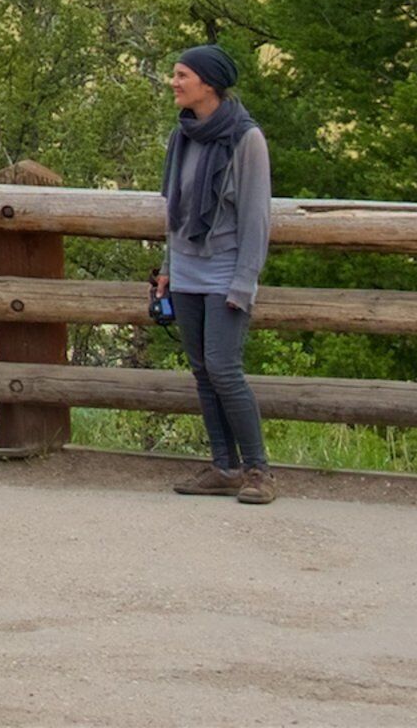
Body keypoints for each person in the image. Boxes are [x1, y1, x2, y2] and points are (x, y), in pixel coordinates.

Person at [156, 41, 276, 505]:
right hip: (185, 270)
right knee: (203, 371)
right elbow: (175, 212)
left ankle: (259, 471)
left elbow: (255, 219)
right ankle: (224, 467)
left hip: (226, 271)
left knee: (225, 369)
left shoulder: (247, 140)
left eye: (182, 75)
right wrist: (167, 268)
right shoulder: (182, 135)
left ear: (208, 83)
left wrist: (244, 282)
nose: (174, 82)